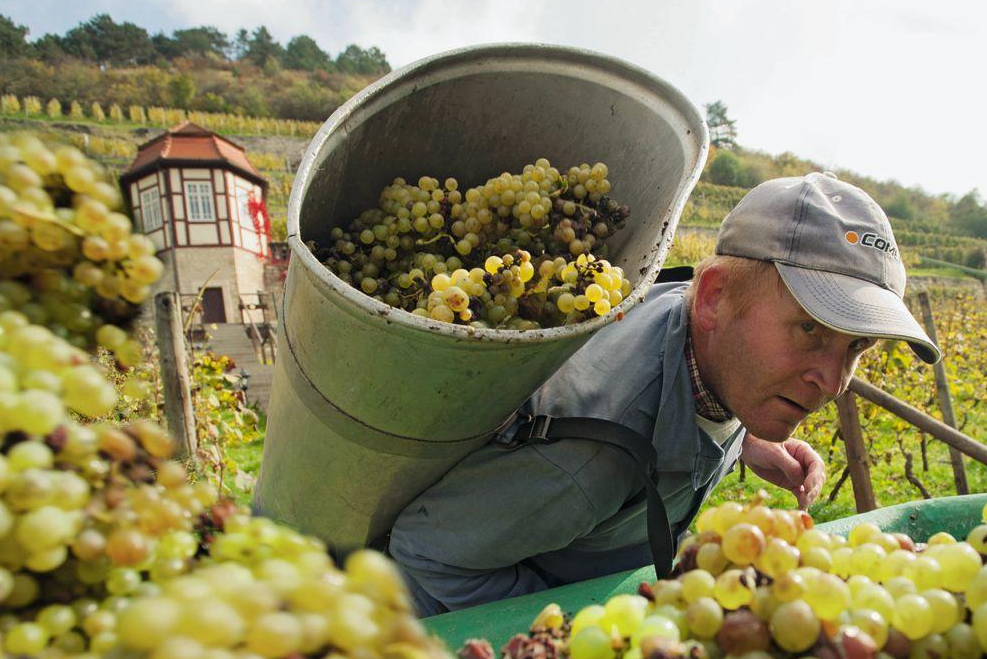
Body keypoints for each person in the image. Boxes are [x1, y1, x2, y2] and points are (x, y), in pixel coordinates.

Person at [389, 172, 940, 616]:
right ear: (714, 297)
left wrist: (743, 440)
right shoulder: (589, 459)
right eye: (811, 329)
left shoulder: (708, 332)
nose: (833, 381)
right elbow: (427, 555)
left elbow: (686, 388)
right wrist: (575, 634)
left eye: (857, 346)